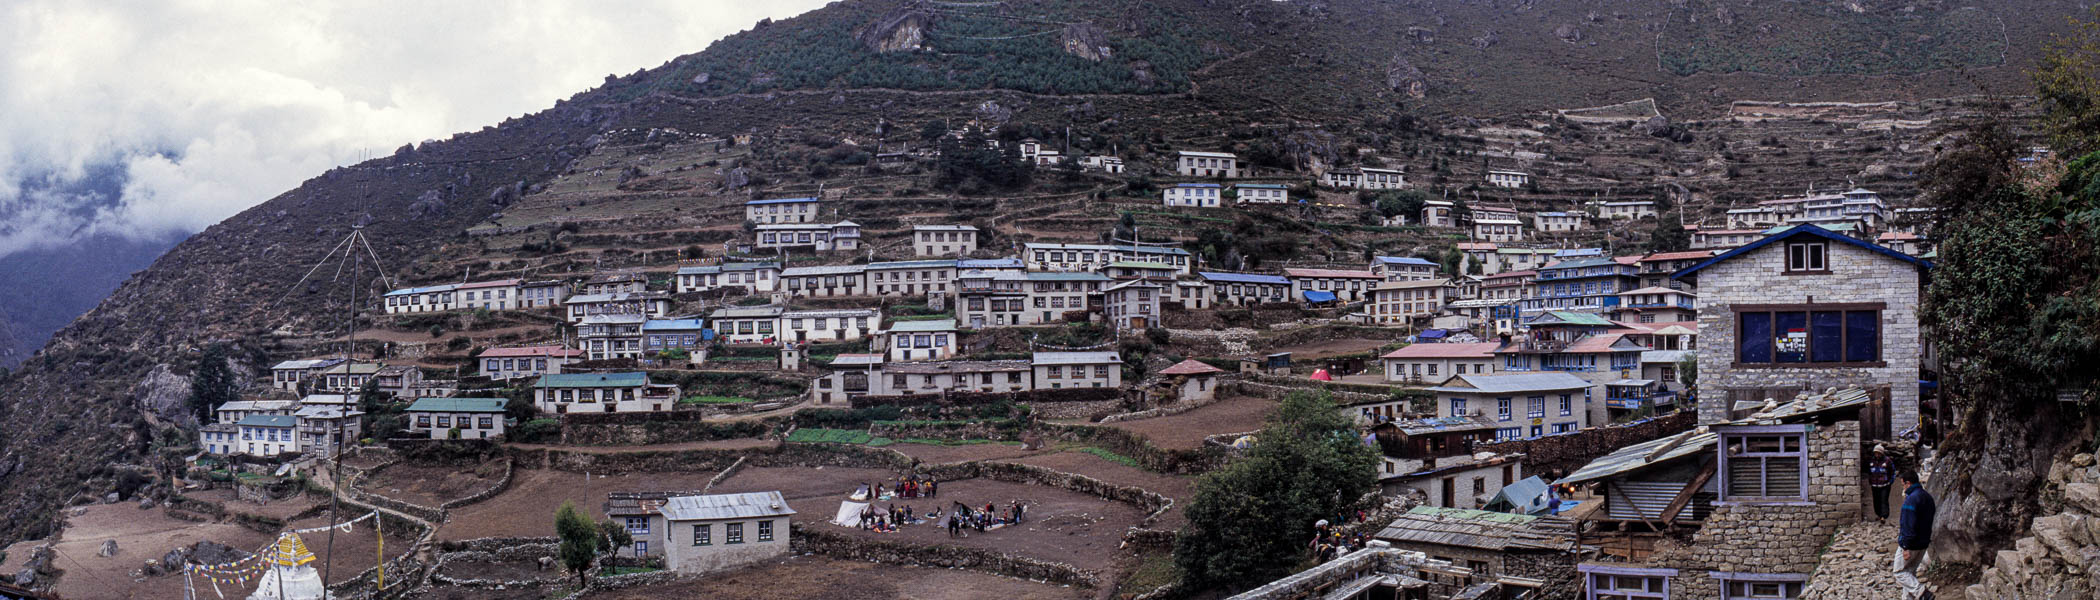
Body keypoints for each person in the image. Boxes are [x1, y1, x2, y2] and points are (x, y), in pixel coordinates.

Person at [1893, 467, 1936, 600]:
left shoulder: (1911, 500)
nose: (1903, 488)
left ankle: (1922, 593)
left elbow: (1907, 524)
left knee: (1899, 572)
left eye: (1903, 484)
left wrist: (1905, 546)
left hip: (1911, 543)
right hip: (1923, 542)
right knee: (1910, 572)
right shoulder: (1927, 497)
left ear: (1908, 483)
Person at [1868, 444, 1896, 523]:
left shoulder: (1887, 461)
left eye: (1878, 453)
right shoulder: (1871, 461)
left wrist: (1890, 481)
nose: (1877, 455)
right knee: (1876, 500)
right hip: (1874, 485)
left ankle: (1884, 516)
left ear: (1882, 453)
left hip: (1885, 485)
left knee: (1883, 500)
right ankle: (1878, 514)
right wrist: (1870, 480)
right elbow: (1869, 472)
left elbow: (1893, 471)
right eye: (1876, 453)